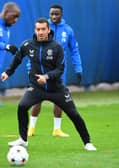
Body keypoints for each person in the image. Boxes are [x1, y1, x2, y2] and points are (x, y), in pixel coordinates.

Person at [1, 18, 96, 151]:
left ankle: (87, 142)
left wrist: (46, 77)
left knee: (74, 114)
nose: (40, 32)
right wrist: (7, 72)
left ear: (48, 30)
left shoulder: (57, 47)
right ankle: (23, 139)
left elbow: (60, 69)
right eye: (38, 29)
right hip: (36, 88)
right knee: (22, 106)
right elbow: (17, 59)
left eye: (43, 29)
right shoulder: (27, 45)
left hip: (56, 89)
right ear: (35, 30)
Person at [27, 4, 82, 137]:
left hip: (58, 72)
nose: (54, 16)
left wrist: (78, 68)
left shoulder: (68, 30)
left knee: (59, 99)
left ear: (61, 14)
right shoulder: (43, 28)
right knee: (37, 98)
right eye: (52, 14)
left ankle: (57, 129)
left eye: (56, 14)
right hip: (40, 70)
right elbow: (32, 49)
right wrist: (30, 68)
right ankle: (31, 128)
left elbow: (74, 50)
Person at [0, 2, 20, 97]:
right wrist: (7, 46)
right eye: (14, 16)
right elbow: (4, 46)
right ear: (6, 13)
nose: (16, 20)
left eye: (17, 17)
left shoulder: (7, 29)